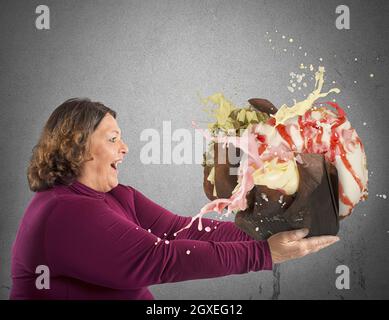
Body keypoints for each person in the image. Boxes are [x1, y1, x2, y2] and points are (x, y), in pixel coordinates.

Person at [10, 98, 339, 300]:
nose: (124, 148)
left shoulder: (117, 197)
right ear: (77, 146)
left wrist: (277, 230)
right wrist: (263, 254)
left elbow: (182, 231)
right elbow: (160, 259)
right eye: (112, 139)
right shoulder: (62, 212)